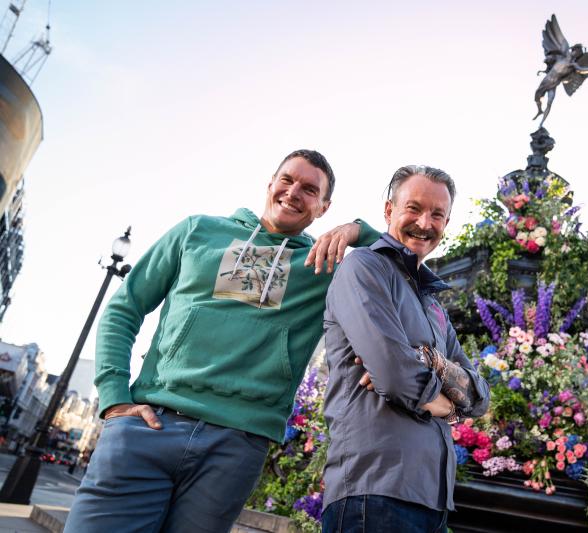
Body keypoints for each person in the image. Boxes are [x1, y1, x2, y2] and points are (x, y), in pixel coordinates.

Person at [64, 149, 380, 533]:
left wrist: (358, 231)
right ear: (270, 184)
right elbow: (124, 307)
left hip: (235, 449)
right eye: (287, 180)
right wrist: (114, 397)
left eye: (310, 189)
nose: (294, 192)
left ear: (324, 207)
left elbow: (402, 270)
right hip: (148, 427)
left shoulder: (324, 268)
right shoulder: (198, 230)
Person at [322, 165, 491, 533]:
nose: (424, 223)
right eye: (413, 208)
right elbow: (395, 374)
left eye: (437, 214)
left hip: (432, 498)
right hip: (375, 490)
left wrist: (434, 365)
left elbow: (480, 398)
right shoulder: (364, 268)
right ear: (388, 211)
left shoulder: (433, 305)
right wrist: (446, 403)